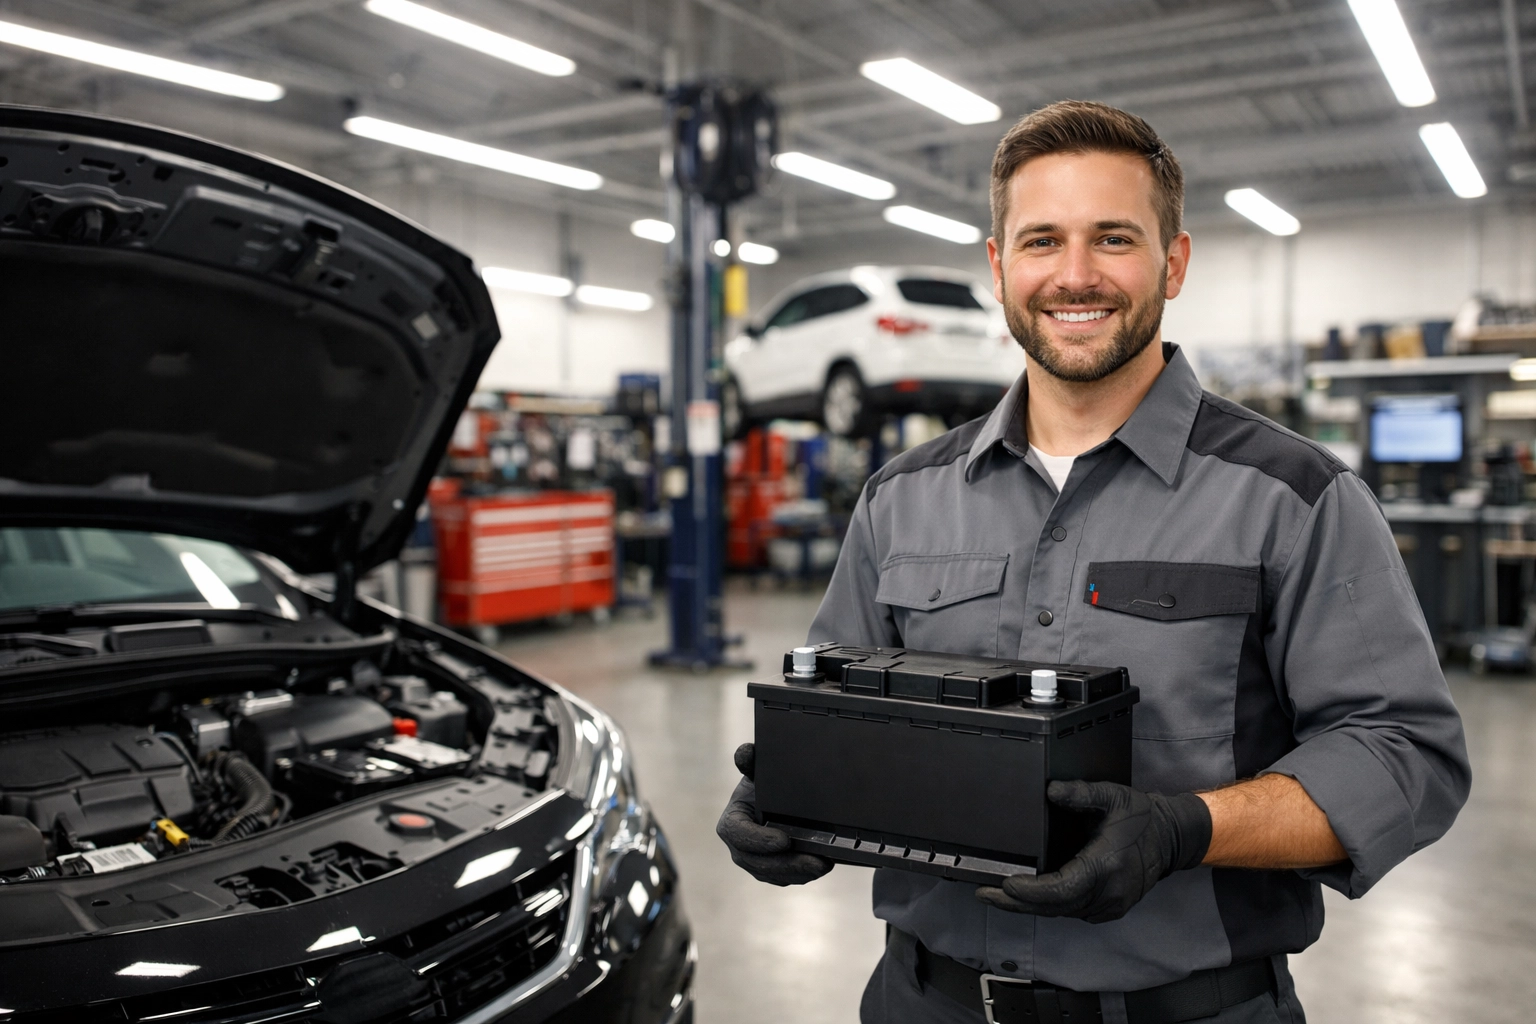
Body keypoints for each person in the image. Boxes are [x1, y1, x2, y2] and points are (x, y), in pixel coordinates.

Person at [718, 100, 1471, 1024]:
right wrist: (789, 791)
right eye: (1041, 242)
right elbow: (838, 706)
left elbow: (1405, 755)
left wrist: (1185, 831)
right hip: (924, 1001)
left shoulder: (1293, 498)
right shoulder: (899, 498)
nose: (1075, 277)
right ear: (1000, 268)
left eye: (1113, 238)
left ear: (1174, 261)